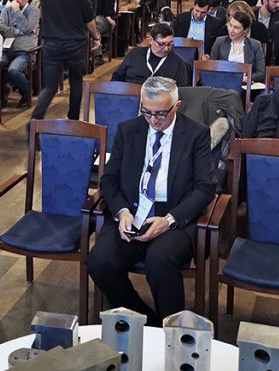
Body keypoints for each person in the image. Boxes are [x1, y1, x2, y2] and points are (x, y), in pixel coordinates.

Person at [88, 76, 215, 326]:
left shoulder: (196, 134)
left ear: (176, 107)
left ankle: (172, 330)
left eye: (161, 114)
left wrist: (170, 220)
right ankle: (145, 321)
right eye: (147, 112)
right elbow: (109, 179)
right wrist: (123, 212)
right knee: (99, 261)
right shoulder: (128, 130)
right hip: (133, 212)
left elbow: (205, 188)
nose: (153, 120)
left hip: (173, 216)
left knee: (160, 260)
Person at [31, 0, 98, 122]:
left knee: (51, 86)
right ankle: (73, 120)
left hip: (51, 41)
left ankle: (35, 120)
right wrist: (96, 36)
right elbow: (89, 18)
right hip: (74, 43)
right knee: (76, 81)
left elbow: (42, 12)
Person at [0, 0, 39, 108]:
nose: (16, 0)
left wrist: (16, 11)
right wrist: (19, 32)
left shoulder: (34, 11)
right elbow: (0, 27)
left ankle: (26, 93)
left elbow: (27, 27)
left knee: (13, 70)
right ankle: (3, 93)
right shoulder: (7, 8)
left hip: (25, 51)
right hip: (7, 48)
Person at [112, 23, 190, 86]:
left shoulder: (178, 63)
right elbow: (116, 78)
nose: (166, 48)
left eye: (169, 44)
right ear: (151, 40)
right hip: (131, 99)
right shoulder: (135, 54)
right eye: (161, 44)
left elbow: (181, 92)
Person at [209, 11, 266, 83]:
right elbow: (211, 67)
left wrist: (246, 78)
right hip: (223, 83)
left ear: (245, 30)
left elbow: (261, 73)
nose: (231, 30)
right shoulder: (219, 41)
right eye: (230, 25)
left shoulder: (255, 45)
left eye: (236, 27)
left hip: (245, 84)